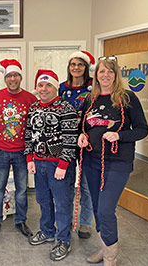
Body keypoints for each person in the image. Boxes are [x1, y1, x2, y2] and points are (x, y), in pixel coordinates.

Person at [78, 56, 148, 265]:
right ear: (96, 75)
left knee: (106, 209)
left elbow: (143, 130)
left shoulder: (127, 98)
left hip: (118, 163)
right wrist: (82, 136)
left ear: (116, 75)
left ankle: (111, 258)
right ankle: (104, 247)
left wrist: (120, 135)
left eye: (110, 71)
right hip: (92, 161)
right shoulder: (90, 100)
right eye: (101, 71)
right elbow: (84, 126)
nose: (105, 75)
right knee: (99, 209)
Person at [25, 69, 78, 261]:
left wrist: (63, 164)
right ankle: (47, 231)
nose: (44, 89)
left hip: (59, 165)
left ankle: (63, 239)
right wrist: (29, 158)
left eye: (48, 85)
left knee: (62, 203)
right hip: (39, 163)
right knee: (43, 200)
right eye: (41, 85)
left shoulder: (66, 108)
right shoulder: (33, 108)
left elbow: (71, 139)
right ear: (36, 87)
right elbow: (28, 135)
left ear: (56, 87)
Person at [0, 59, 37, 238]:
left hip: (22, 151)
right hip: (0, 150)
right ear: (5, 78)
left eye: (15, 75)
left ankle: (21, 220)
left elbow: (34, 126)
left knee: (22, 189)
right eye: (9, 76)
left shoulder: (30, 98)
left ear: (20, 77)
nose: (12, 79)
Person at [59, 50, 94, 239]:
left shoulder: (93, 87)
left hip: (87, 142)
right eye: (73, 64)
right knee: (66, 184)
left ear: (86, 67)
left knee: (86, 186)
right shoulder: (62, 88)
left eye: (80, 64)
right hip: (66, 143)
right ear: (69, 67)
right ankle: (67, 218)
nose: (76, 68)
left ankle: (85, 223)